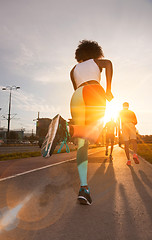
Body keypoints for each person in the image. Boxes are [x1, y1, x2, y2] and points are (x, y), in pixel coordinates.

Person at [41, 40, 114, 205]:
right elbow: (108, 64)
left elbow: (76, 88)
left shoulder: (73, 69)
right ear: (95, 52)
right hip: (94, 91)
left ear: (79, 55)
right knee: (94, 133)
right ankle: (66, 128)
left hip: (76, 96)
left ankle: (84, 188)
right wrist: (108, 89)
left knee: (83, 142)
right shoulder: (96, 61)